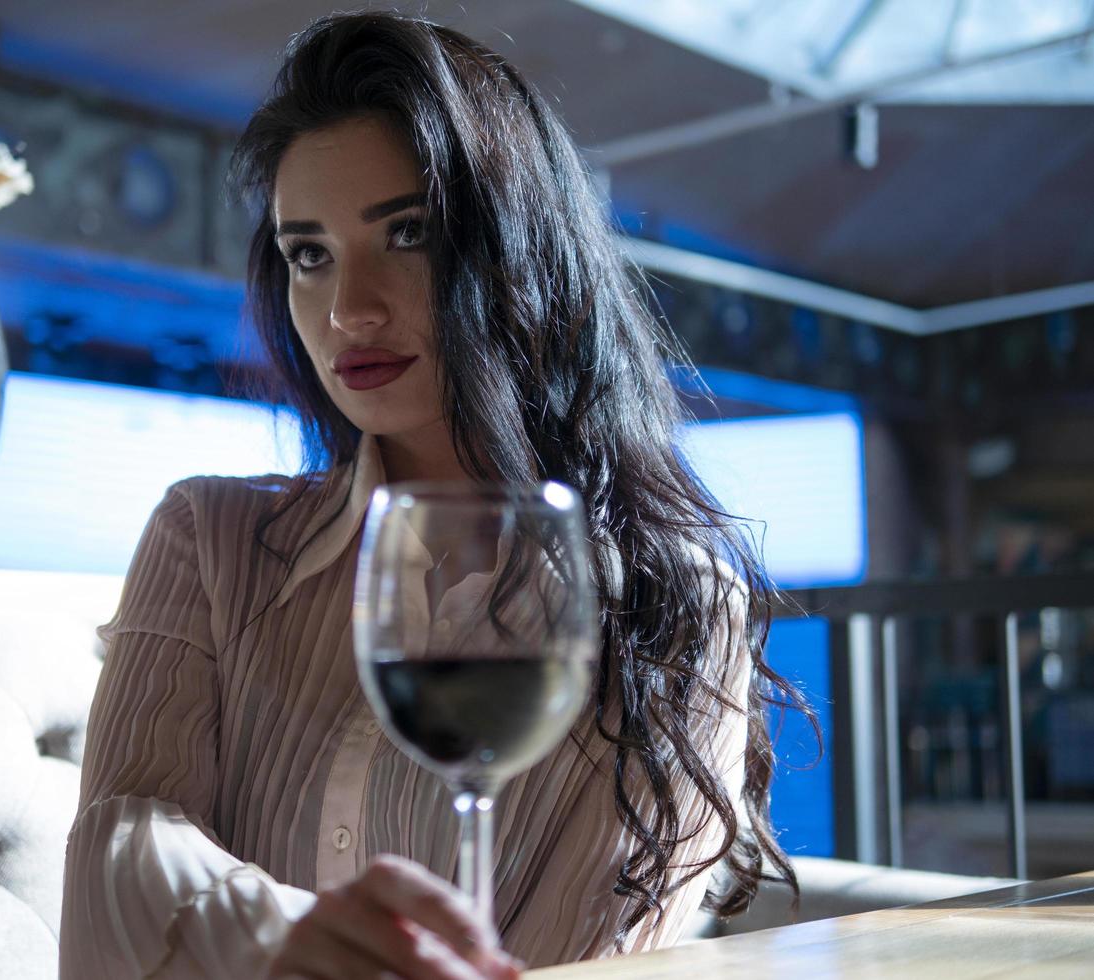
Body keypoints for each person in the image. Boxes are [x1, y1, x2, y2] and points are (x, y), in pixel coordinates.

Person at [60, 11, 808, 979]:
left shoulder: (668, 603)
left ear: (515, 251)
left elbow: (578, 963)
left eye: (405, 234)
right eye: (308, 253)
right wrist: (279, 935)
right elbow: (118, 849)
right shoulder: (209, 536)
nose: (348, 309)